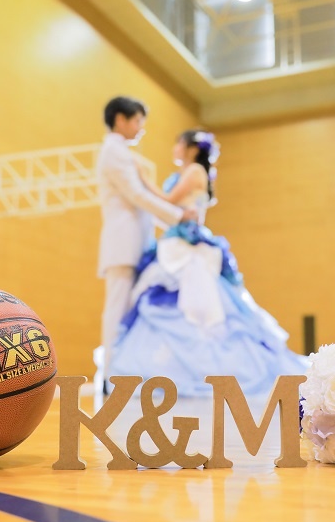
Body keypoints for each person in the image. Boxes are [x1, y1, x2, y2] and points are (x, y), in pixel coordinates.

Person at [103, 129, 308, 397]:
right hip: (176, 244)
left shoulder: (194, 171)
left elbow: (168, 201)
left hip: (186, 248)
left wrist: (144, 180)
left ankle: (196, 371)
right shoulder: (190, 172)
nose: (175, 148)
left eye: (178, 143)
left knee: (196, 311)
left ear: (190, 148)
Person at [97, 97, 197, 391]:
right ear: (120, 119)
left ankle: (121, 373)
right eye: (137, 121)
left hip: (135, 244)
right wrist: (177, 216)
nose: (141, 128)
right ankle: (110, 375)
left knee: (128, 311)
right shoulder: (113, 151)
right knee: (116, 310)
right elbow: (136, 196)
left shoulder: (121, 152)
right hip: (122, 244)